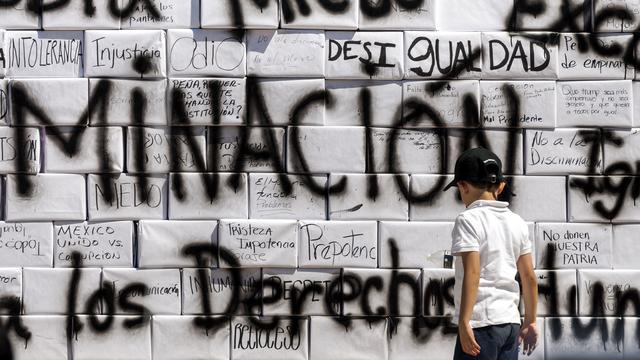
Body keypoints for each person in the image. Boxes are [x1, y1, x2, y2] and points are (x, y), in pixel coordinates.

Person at [443, 147, 539, 360]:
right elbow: (529, 278)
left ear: (463, 185)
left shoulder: (468, 220)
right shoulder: (517, 222)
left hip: (481, 324)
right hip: (510, 324)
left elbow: (473, 273)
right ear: (501, 185)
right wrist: (531, 321)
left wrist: (465, 322)